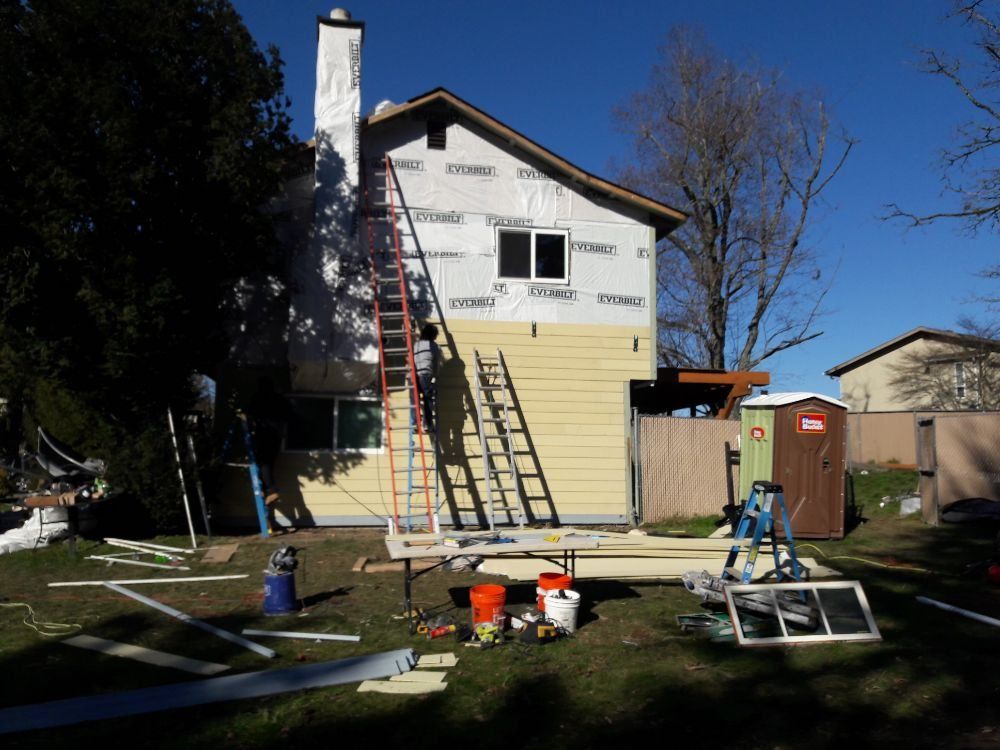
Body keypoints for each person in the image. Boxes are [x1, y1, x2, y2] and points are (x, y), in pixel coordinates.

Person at [412, 323, 440, 433]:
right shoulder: (434, 346)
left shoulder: (416, 345)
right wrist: (435, 378)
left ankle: (414, 423)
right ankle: (427, 425)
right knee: (428, 400)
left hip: (415, 374)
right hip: (426, 375)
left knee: (415, 399)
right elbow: (436, 364)